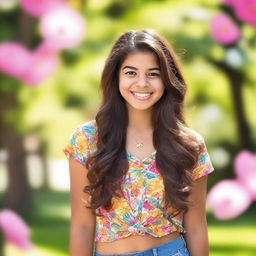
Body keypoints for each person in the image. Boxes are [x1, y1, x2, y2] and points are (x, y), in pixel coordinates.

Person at [63, 29, 214, 256]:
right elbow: (82, 226)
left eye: (153, 73)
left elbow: (197, 227)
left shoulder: (189, 144)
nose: (142, 83)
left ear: (166, 79)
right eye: (131, 72)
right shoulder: (86, 139)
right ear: (116, 77)